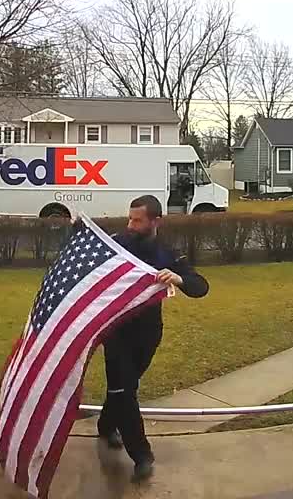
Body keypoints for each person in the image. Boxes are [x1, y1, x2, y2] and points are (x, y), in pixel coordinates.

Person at [97, 194, 209, 482]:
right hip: (116, 331)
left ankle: (106, 426)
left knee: (125, 387)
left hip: (148, 334)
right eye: (129, 218)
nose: (130, 225)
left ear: (155, 221)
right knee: (124, 390)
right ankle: (142, 456)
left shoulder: (166, 253)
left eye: (138, 220)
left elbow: (200, 287)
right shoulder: (117, 244)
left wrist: (178, 278)